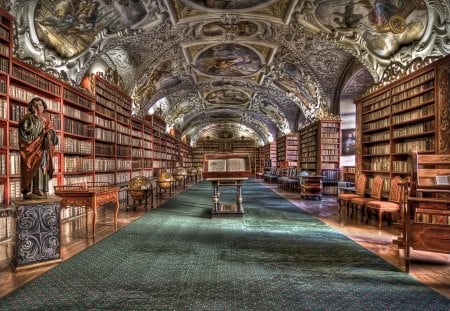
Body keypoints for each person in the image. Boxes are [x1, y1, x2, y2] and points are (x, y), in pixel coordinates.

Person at [19, 97, 59, 199]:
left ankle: (40, 188)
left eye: (40, 105)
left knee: (42, 168)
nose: (38, 107)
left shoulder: (46, 118)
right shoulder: (27, 118)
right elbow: (24, 131)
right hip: (30, 148)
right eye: (35, 105)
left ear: (44, 106)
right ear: (31, 106)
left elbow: (53, 131)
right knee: (31, 167)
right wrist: (35, 117)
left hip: (42, 148)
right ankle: (29, 189)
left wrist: (49, 134)